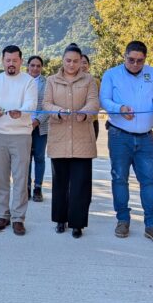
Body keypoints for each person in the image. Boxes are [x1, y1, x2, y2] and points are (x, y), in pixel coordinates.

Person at [100, 40, 153, 244]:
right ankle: (122, 220)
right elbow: (105, 100)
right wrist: (120, 108)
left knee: (148, 181)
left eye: (140, 61)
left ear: (145, 59)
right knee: (120, 178)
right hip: (119, 135)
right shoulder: (111, 74)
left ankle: (152, 225)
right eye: (131, 60)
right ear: (125, 56)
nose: (135, 64)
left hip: (146, 137)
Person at [43, 44, 99, 238]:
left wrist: (85, 113)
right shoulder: (51, 80)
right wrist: (57, 111)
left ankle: (77, 223)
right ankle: (60, 219)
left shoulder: (90, 80)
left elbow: (93, 102)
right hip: (59, 137)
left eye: (76, 61)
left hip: (82, 138)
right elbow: (46, 103)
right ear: (63, 60)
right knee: (60, 182)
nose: (72, 64)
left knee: (81, 184)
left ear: (80, 62)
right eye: (68, 60)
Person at [0, 45, 38, 236]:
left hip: (21, 135)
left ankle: (18, 218)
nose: (11, 64)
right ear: (2, 61)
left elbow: (31, 103)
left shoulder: (29, 81)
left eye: (15, 60)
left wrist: (21, 111)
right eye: (8, 60)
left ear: (21, 61)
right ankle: (3, 214)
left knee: (21, 178)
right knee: (1, 177)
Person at [26, 55, 49, 202]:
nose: (35, 68)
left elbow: (48, 106)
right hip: (23, 127)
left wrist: (37, 121)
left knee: (39, 157)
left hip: (41, 127)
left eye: (38, 66)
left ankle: (38, 188)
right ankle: (26, 188)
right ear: (27, 66)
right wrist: (27, 122)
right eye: (32, 65)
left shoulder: (47, 83)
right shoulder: (21, 81)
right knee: (25, 158)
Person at [81, 54, 100, 140]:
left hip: (92, 120)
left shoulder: (96, 81)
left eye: (84, 63)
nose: (82, 65)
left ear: (89, 65)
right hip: (76, 121)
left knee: (90, 149)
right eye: (79, 62)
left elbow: (100, 99)